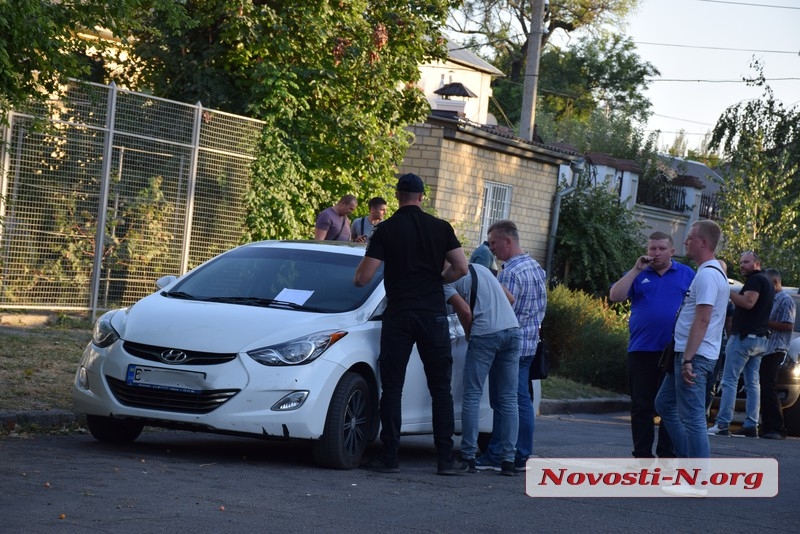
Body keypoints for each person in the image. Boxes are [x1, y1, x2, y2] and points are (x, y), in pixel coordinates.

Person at [353, 173, 470, 476]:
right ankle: (445, 459)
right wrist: (437, 280)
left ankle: (389, 456)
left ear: (397, 197)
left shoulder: (385, 230)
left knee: (392, 387)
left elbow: (363, 278)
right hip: (432, 313)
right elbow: (461, 266)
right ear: (421, 197)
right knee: (440, 388)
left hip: (399, 315)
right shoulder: (441, 228)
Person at [609, 231, 695, 459]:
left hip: (674, 350)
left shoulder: (687, 274)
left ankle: (667, 454)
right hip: (642, 349)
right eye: (652, 249)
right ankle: (642, 455)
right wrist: (636, 269)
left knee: (670, 407)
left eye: (661, 249)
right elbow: (615, 296)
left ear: (672, 251)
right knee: (641, 406)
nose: (656, 253)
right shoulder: (639, 273)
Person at [475, 219, 547, 472]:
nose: (491, 248)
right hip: (530, 344)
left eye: (494, 243)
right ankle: (521, 452)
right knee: (521, 401)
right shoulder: (536, 267)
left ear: (508, 241)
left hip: (510, 345)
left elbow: (504, 309)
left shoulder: (510, 273)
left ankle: (504, 453)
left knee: (505, 401)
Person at [654, 220, 728, 462]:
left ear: (703, 242)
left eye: (690, 238)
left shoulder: (708, 275)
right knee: (664, 404)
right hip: (687, 353)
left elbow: (703, 319)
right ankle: (689, 461)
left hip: (693, 356)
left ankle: (697, 477)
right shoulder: (711, 272)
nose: (685, 241)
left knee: (693, 417)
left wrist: (687, 360)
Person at [444, 262, 520, 476]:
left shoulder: (446, 282)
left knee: (472, 395)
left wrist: (469, 335)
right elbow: (511, 299)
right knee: (508, 398)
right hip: (512, 330)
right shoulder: (482, 268)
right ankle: (508, 460)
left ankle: (468, 455)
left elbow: (466, 312)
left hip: (484, 334)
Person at [708, 251, 774, 438]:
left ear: (757, 263)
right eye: (741, 262)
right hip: (760, 339)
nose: (742, 265)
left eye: (746, 262)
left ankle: (722, 424)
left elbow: (748, 302)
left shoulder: (755, 280)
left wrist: (728, 292)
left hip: (744, 338)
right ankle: (751, 425)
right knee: (753, 384)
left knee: (729, 381)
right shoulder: (767, 281)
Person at [759, 268, 795, 440]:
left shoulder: (785, 300)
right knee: (763, 389)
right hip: (764, 349)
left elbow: (788, 325)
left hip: (776, 349)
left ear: (774, 282)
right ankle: (766, 426)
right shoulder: (769, 299)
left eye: (767, 283)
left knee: (769, 387)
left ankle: (778, 428)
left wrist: (765, 322)